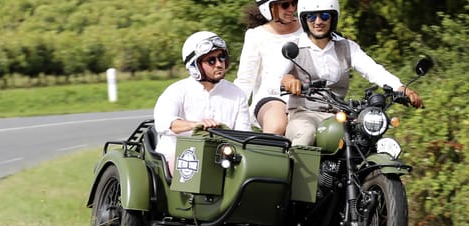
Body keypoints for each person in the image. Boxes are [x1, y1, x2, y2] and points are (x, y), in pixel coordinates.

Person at [263, 0, 424, 146]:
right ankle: (298, 178)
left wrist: (400, 87)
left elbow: (373, 70)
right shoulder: (294, 48)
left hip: (339, 115)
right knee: (306, 135)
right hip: (304, 114)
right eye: (311, 17)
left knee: (365, 139)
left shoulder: (347, 47)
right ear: (304, 20)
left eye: (324, 16)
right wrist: (287, 80)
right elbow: (271, 80)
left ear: (333, 18)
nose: (318, 21)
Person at [153, 31, 251, 172]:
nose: (219, 64)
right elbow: (164, 124)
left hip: (223, 158)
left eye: (221, 57)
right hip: (178, 156)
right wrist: (196, 125)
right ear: (195, 66)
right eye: (211, 60)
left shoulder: (237, 94)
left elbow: (243, 134)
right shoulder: (176, 91)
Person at [234, 0, 303, 135]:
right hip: (273, 97)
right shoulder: (256, 35)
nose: (291, 9)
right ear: (269, 7)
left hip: (308, 97)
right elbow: (246, 80)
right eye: (285, 5)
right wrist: (232, 110)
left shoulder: (309, 27)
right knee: (276, 126)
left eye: (294, 3)